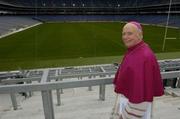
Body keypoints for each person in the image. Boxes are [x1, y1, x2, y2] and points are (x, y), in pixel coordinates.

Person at [113, 21, 164, 119]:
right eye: (123, 34)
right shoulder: (135, 49)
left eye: (129, 33)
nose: (125, 37)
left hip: (134, 111)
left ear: (140, 35)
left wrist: (124, 117)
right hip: (127, 102)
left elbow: (140, 97)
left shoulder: (144, 57)